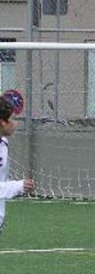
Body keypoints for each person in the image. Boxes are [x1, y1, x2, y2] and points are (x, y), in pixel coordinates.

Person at [0, 96, 34, 237]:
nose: (16, 123)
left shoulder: (4, 144)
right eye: (13, 119)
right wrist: (18, 186)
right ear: (2, 122)